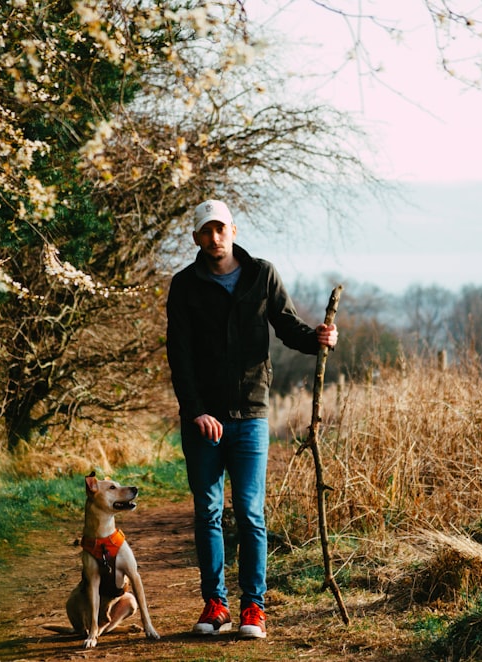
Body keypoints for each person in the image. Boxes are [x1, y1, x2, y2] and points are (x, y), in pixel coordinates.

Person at [165, 199, 337, 640]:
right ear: (196, 238)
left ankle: (253, 608)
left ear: (234, 230)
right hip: (202, 420)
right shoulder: (184, 285)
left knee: (249, 512)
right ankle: (215, 603)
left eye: (220, 228)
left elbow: (287, 325)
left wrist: (320, 339)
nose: (214, 237)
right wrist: (196, 410)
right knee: (207, 511)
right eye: (206, 231)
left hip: (251, 414)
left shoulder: (263, 274)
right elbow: (179, 355)